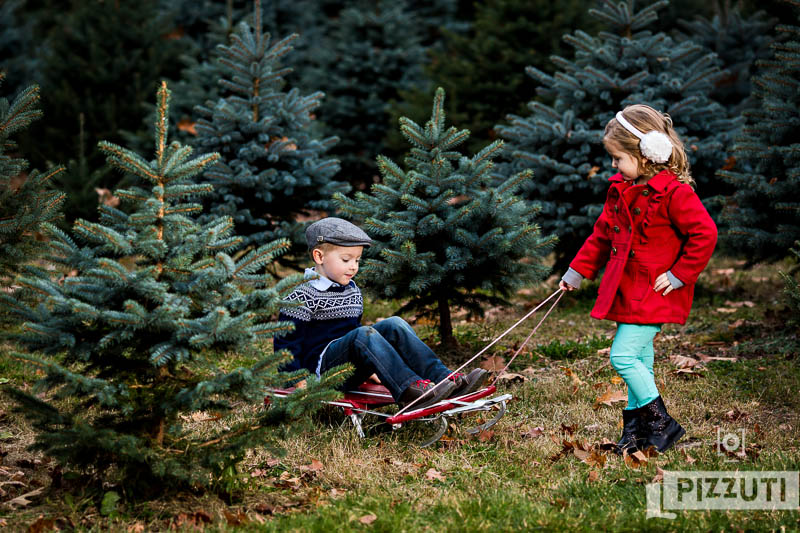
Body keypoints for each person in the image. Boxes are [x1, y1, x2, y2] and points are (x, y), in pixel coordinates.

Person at [559, 104, 717, 453]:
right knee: (640, 360)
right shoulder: (620, 189)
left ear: (646, 154)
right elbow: (602, 234)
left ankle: (663, 424)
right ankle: (634, 432)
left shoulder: (675, 193)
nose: (613, 165)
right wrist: (577, 272)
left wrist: (679, 275)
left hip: (656, 290)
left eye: (618, 158)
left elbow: (705, 234)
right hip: (628, 288)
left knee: (623, 357)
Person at [274, 217, 488, 409]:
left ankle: (444, 379)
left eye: (357, 260)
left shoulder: (351, 290)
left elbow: (353, 332)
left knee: (394, 324)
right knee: (363, 334)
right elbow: (285, 344)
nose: (353, 267)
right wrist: (297, 380)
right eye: (346, 260)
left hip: (348, 367)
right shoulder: (301, 296)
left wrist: (374, 365)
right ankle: (409, 390)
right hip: (321, 374)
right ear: (319, 256)